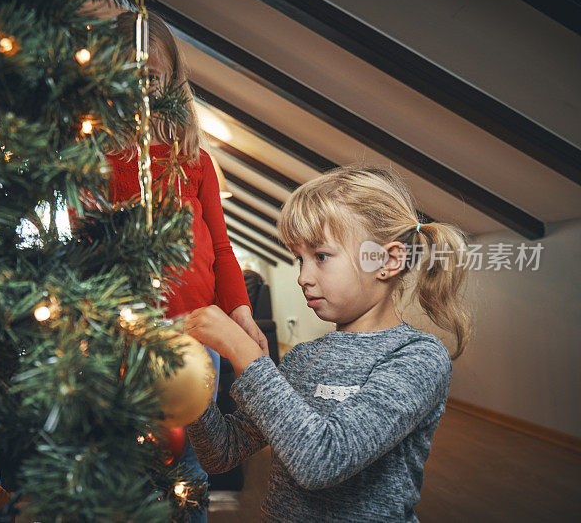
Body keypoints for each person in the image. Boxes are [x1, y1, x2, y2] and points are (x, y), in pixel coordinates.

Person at [184, 165, 472, 522]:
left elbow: (323, 461)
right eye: (298, 259)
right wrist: (191, 381)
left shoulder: (418, 358)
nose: (303, 277)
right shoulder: (302, 358)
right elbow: (221, 453)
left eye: (321, 256)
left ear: (388, 260)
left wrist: (247, 357)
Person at [108, 11, 268, 522]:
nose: (142, 90)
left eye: (152, 78)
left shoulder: (195, 160)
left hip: (198, 338)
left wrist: (240, 312)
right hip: (122, 340)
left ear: (173, 79)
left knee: (190, 473)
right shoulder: (98, 159)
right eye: (128, 77)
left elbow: (221, 249)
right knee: (126, 474)